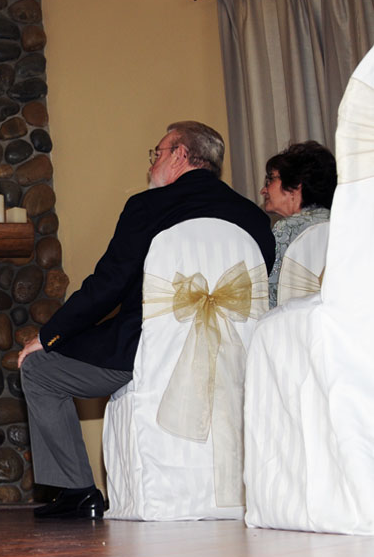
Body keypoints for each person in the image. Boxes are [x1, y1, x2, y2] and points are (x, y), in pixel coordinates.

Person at [17, 121, 276, 520]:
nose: (153, 163)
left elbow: (108, 286)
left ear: (180, 154)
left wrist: (50, 336)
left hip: (146, 351)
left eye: (157, 152)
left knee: (38, 370)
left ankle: (78, 491)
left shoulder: (147, 207)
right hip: (236, 356)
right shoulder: (256, 220)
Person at [260, 141, 336, 307]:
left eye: (270, 180)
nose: (263, 190)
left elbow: (270, 299)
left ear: (295, 186)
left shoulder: (285, 229)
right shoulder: (341, 223)